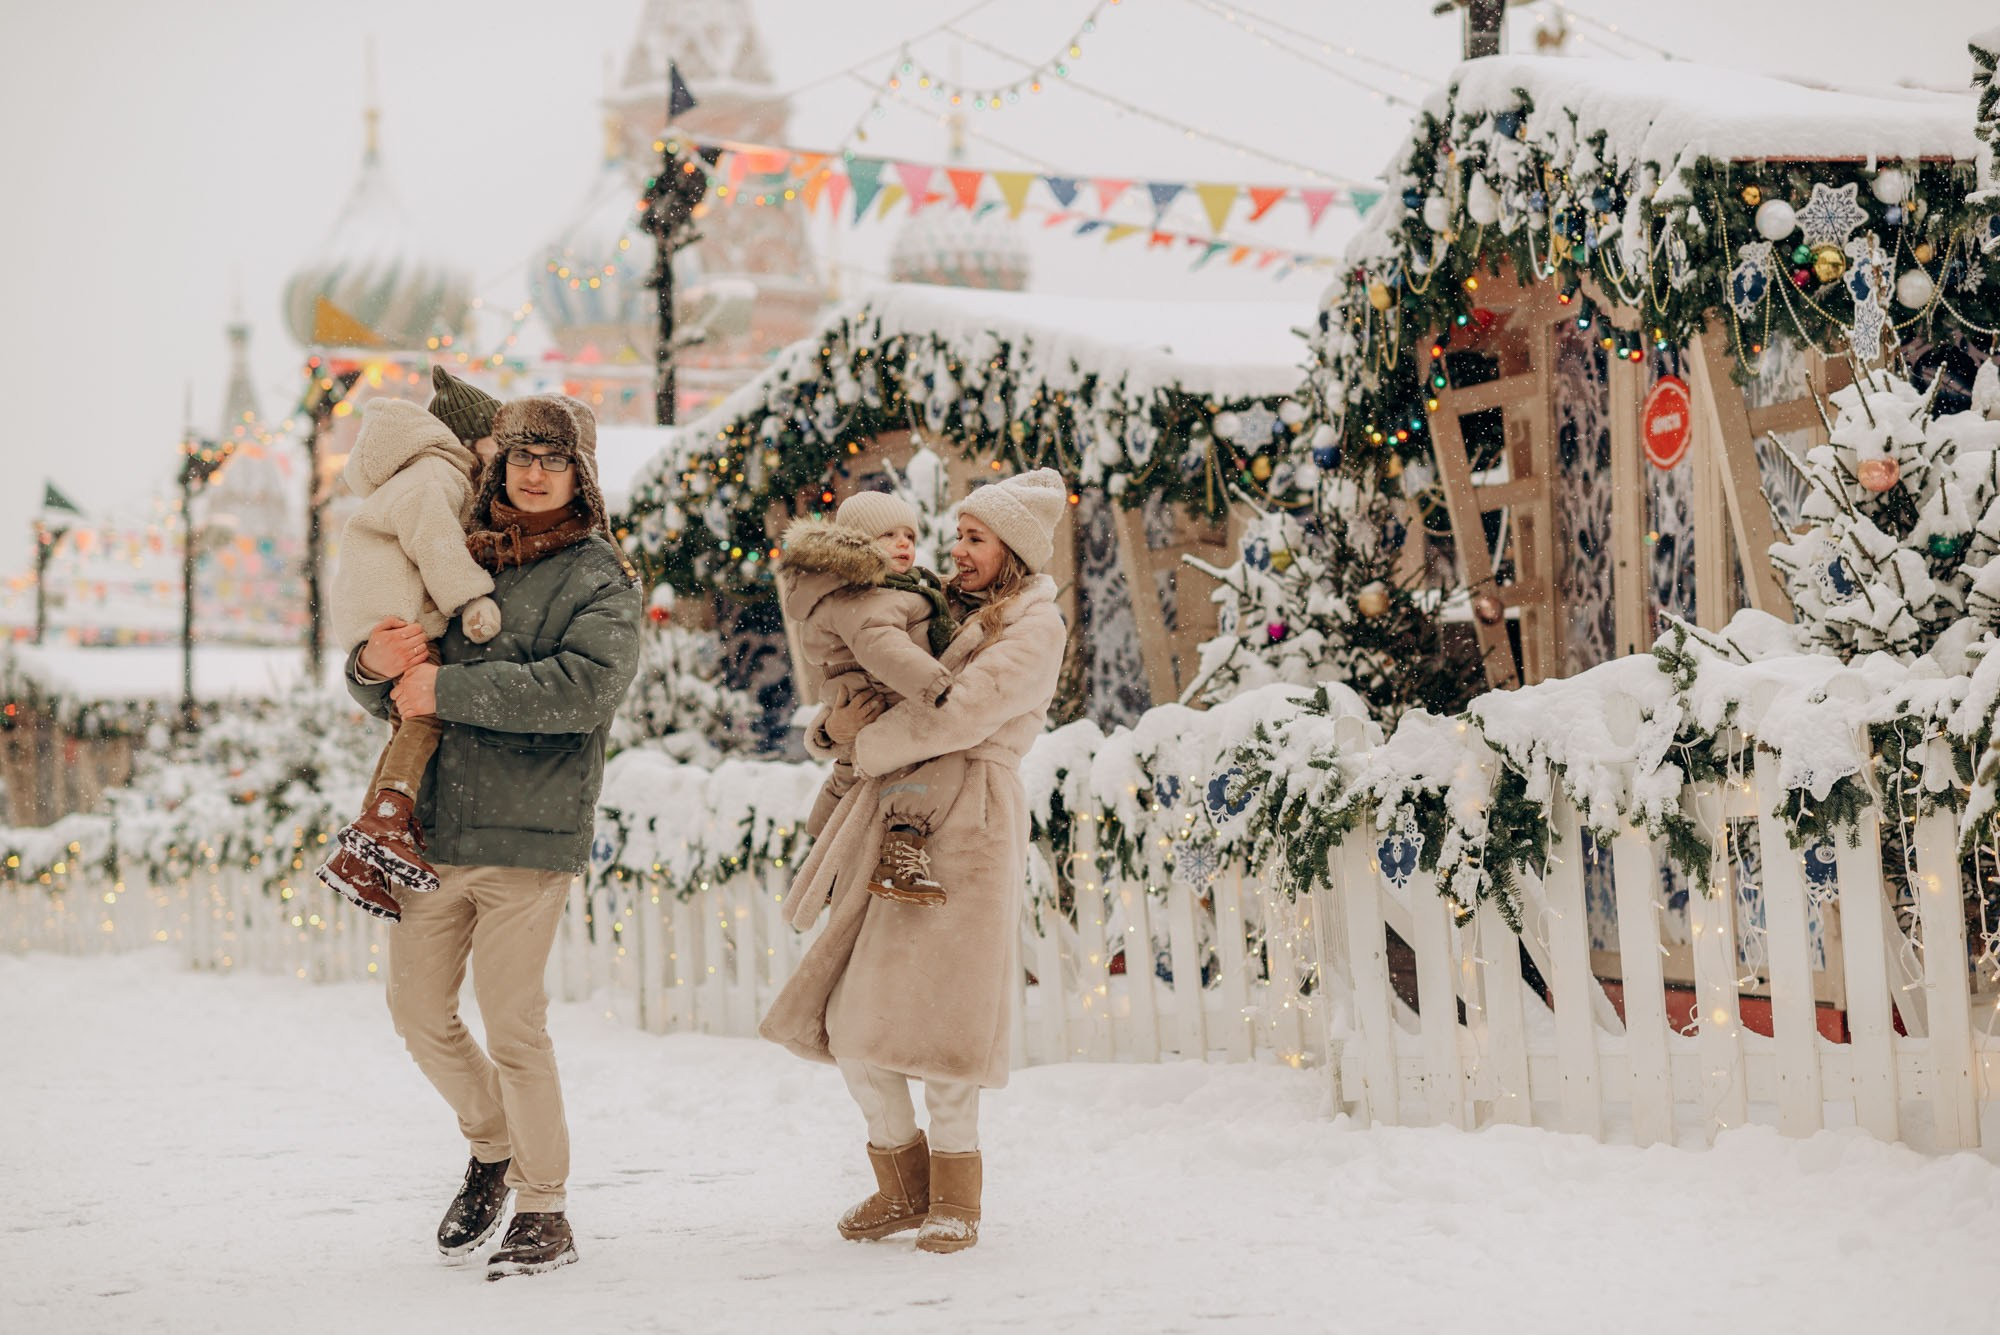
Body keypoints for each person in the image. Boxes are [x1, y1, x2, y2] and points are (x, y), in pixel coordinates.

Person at [345, 393, 641, 1281]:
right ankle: (493, 1147)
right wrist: (372, 669)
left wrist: (453, 694)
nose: (533, 470)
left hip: (528, 832)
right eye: (519, 455)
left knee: (513, 1022)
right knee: (415, 1012)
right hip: (435, 830)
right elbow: (399, 679)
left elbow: (584, 690)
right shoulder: (453, 553)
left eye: (551, 457)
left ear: (577, 473)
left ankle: (544, 1206)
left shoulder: (599, 577)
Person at [761, 467, 1070, 1255]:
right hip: (892, 812)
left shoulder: (1035, 624)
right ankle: (902, 1186)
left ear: (1013, 551)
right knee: (855, 1023)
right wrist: (831, 734)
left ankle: (956, 1198)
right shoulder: (931, 602)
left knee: (946, 1025)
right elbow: (864, 685)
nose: (956, 550)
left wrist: (863, 743)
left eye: (975, 538)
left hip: (967, 819)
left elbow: (961, 713)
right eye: (957, 535)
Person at [315, 388, 503, 920]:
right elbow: (437, 544)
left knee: (408, 720)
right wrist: (471, 598)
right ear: (470, 440)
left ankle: (361, 854)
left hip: (381, 611)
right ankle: (385, 820)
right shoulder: (438, 476)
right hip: (398, 616)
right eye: (496, 443)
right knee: (426, 711)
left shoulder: (422, 472)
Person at [779, 490, 961, 906]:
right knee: (922, 772)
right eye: (888, 535)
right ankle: (893, 857)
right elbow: (882, 647)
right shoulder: (864, 595)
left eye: (909, 536)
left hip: (871, 703)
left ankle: (822, 863)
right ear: (857, 546)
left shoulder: (892, 587)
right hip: (876, 700)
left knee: (848, 778)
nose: (903, 544)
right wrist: (937, 685)